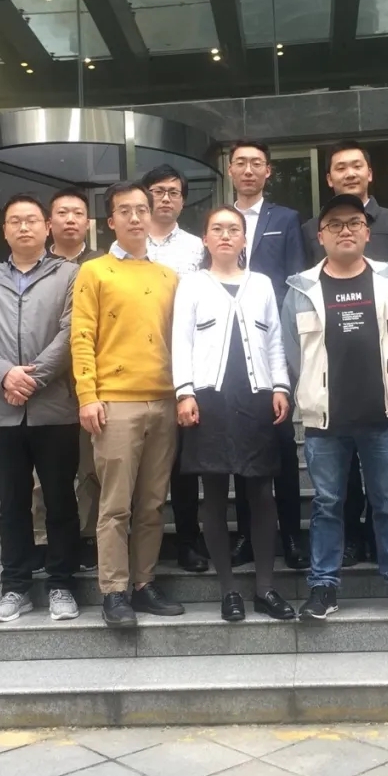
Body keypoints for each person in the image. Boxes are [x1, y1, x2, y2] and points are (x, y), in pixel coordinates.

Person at [282, 193, 388, 621]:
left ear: (367, 232)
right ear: (320, 236)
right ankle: (323, 587)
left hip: (382, 415)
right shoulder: (300, 289)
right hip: (325, 420)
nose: (344, 231)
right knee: (327, 505)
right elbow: (292, 352)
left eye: (353, 223)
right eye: (335, 224)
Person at [172, 205, 296, 622]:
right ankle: (228, 591)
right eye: (217, 229)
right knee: (213, 493)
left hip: (256, 397)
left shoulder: (261, 284)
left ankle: (265, 588)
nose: (225, 235)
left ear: (245, 239)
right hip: (208, 399)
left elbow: (274, 340)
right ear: (205, 239)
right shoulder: (192, 284)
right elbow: (181, 342)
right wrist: (184, 393)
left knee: (261, 493)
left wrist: (280, 386)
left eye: (233, 229)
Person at [302, 140, 388, 568]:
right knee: (335, 489)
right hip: (330, 390)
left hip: (381, 382)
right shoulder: (310, 231)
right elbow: (300, 308)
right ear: (329, 178)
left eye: (357, 165)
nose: (350, 172)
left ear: (370, 172)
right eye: (340, 167)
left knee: (386, 492)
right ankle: (347, 546)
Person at [0, 193, 82, 623]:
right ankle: (15, 587)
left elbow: (71, 333)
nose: (24, 227)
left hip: (55, 410)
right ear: (5, 231)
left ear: (47, 227)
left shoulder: (69, 274)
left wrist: (32, 379)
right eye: (15, 221)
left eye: (32, 219)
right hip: (2, 412)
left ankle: (62, 584)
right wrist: (5, 375)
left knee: (60, 501)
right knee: (12, 504)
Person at [71, 180, 183, 628]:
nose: (136, 217)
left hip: (164, 399)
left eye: (142, 209)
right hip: (114, 403)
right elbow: (81, 336)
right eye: (125, 211)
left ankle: (143, 583)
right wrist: (88, 395)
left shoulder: (168, 276)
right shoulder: (94, 271)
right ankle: (114, 591)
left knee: (152, 503)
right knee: (114, 504)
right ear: (110, 221)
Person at [226, 139, 309, 571]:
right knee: (241, 442)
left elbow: (296, 281)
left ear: (268, 171)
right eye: (240, 163)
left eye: (256, 163)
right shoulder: (219, 220)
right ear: (229, 170)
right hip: (229, 352)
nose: (248, 170)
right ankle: (245, 534)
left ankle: (291, 534)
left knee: (281, 443)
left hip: (274, 347)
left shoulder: (286, 219)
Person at [141, 164, 209, 574]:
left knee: (184, 464)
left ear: (183, 201)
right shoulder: (127, 246)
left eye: (173, 192)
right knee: (142, 463)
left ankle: (188, 541)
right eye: (158, 191)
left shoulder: (198, 248)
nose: (165, 198)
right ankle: (138, 546)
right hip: (137, 368)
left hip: (188, 367)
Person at [30, 185, 101, 574]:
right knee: (44, 472)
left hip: (94, 381)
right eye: (62, 213)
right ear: (49, 222)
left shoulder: (103, 263)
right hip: (48, 382)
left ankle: (87, 536)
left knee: (92, 467)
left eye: (77, 213)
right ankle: (42, 539)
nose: (70, 220)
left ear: (88, 222)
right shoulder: (35, 266)